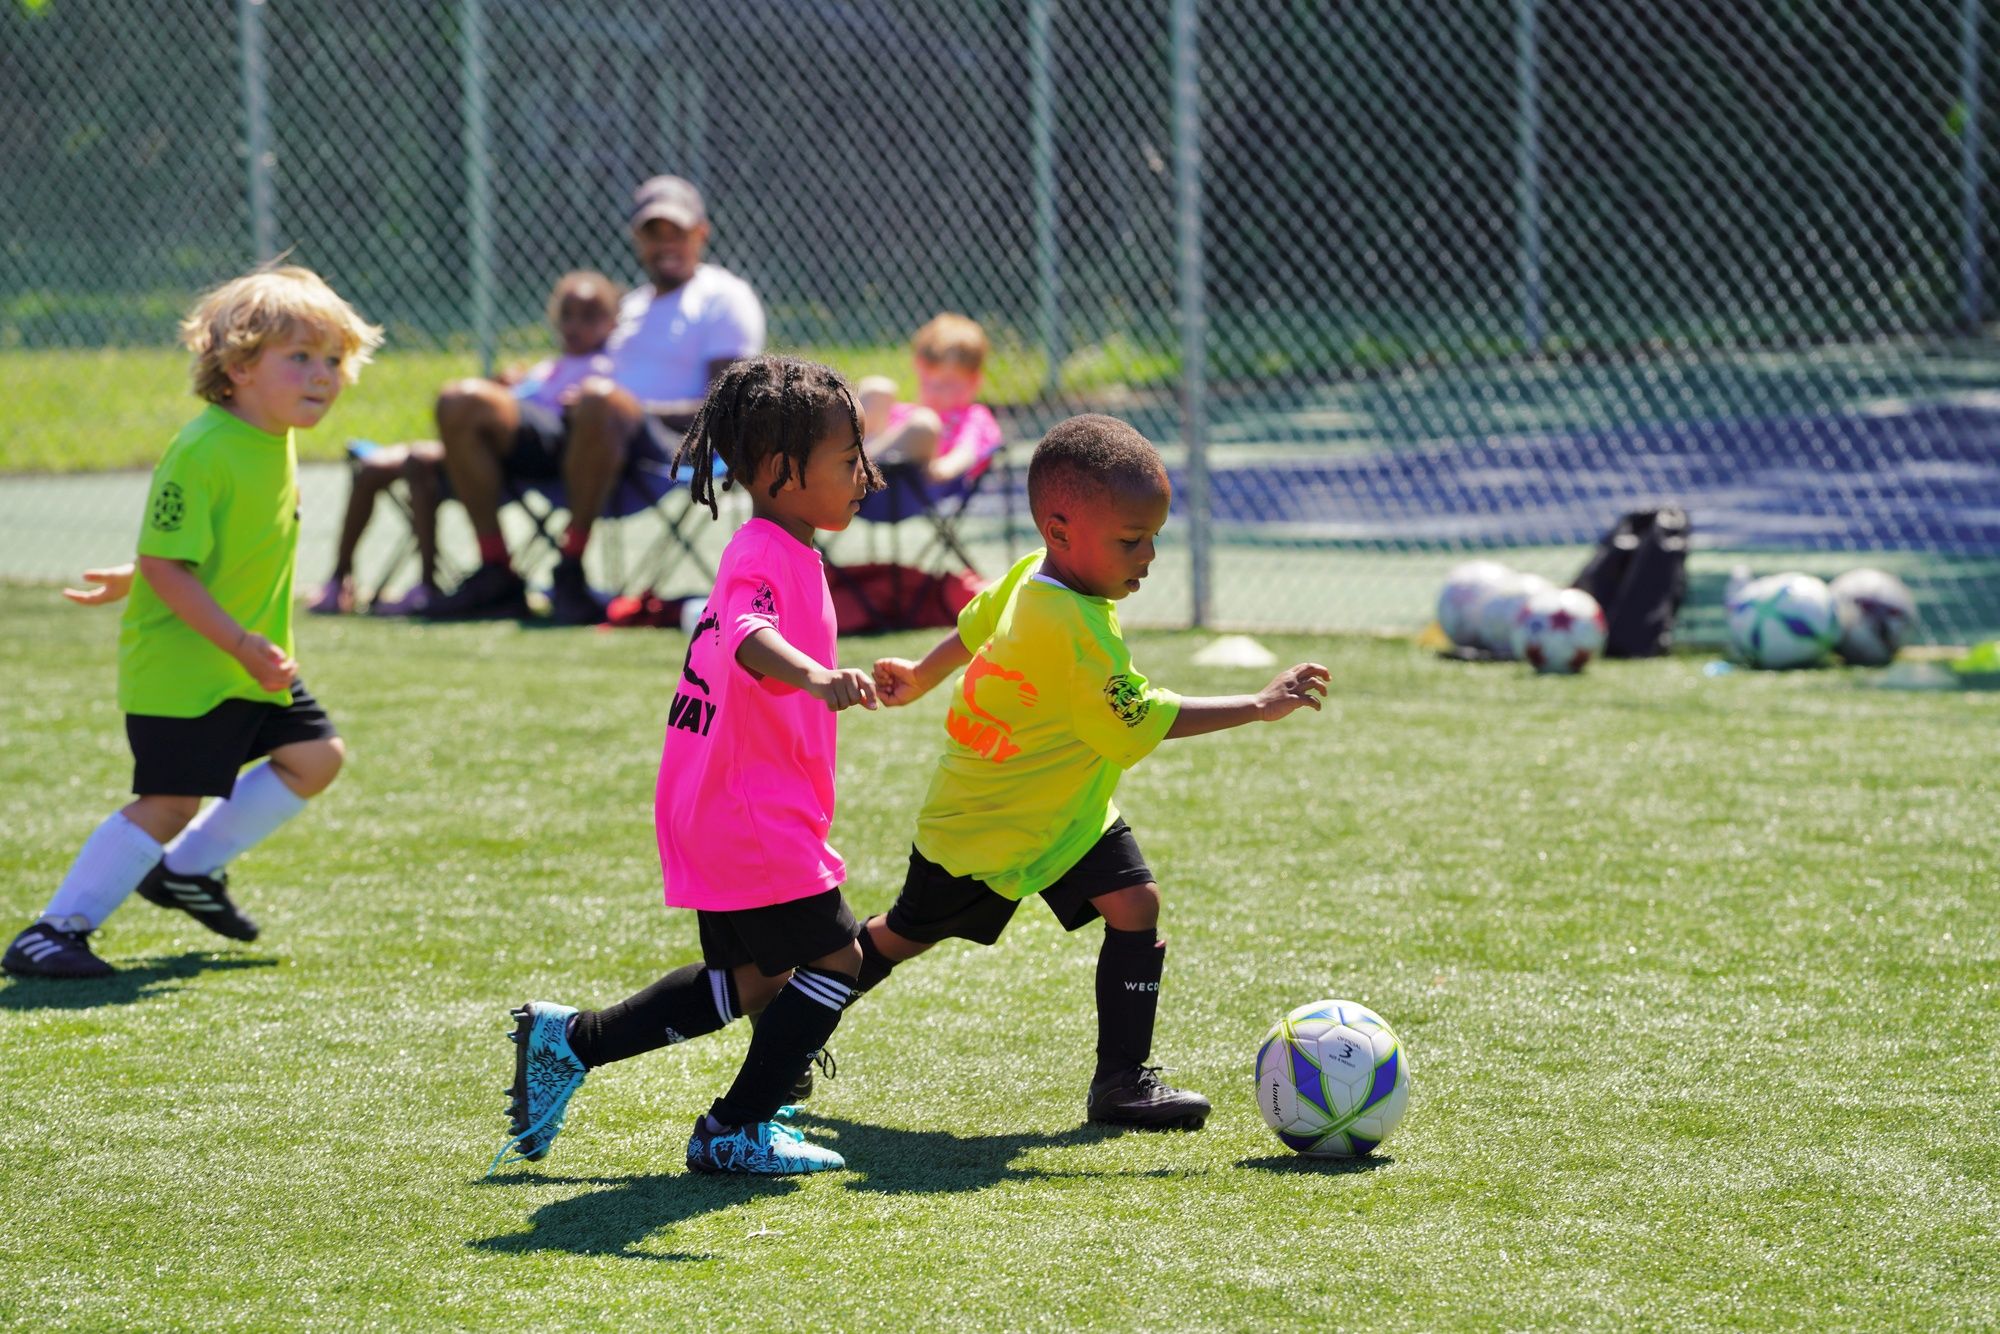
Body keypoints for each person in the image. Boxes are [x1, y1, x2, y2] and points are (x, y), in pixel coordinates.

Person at [850, 414, 1330, 1128]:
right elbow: (1144, 716)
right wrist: (1259, 705)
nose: (1149, 557)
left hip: (1065, 810)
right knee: (902, 934)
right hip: (989, 822)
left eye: (1154, 537)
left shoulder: (1034, 576)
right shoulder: (1071, 628)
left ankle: (1121, 1084)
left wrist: (921, 676)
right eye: (1131, 541)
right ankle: (799, 1013)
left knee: (1136, 905)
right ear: (1061, 529)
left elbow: (974, 623)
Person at [490, 356, 886, 1177]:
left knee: (752, 978)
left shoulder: (784, 544)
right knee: (838, 959)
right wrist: (815, 677)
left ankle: (572, 1042)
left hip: (718, 803)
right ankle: (735, 1128)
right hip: (748, 811)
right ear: (782, 473)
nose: (865, 477)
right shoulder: (766, 552)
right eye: (848, 461)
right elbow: (745, 633)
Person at [3, 267, 383, 978]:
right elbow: (169, 563)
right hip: (190, 669)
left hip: (244, 663)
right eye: (299, 357)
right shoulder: (203, 449)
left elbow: (184, 552)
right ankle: (52, 931)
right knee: (170, 801)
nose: (324, 376)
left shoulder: (272, 437)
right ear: (238, 367)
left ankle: (185, 872)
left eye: (333, 359)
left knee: (314, 758)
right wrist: (194, 604)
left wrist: (146, 569)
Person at [427, 176, 766, 625]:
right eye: (652, 233)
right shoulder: (630, 305)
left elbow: (727, 405)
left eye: (677, 232)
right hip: (583, 426)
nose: (665, 244)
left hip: (666, 442)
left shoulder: (725, 297)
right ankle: (497, 574)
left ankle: (569, 571)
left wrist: (621, 407)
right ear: (636, 239)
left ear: (701, 232)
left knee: (601, 401)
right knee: (461, 400)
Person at [307, 271, 622, 618]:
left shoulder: (608, 370)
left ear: (612, 322)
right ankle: (346, 580)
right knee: (380, 466)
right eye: (567, 316)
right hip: (488, 452)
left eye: (590, 316)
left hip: (538, 458)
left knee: (426, 450)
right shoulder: (546, 369)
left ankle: (431, 583)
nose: (576, 326)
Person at [855, 312, 1004, 486]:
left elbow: (966, 452)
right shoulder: (910, 412)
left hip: (917, 484)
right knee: (878, 389)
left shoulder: (974, 416)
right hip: (876, 478)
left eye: (948, 383)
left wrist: (940, 471)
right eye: (928, 381)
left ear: (974, 381)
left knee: (924, 424)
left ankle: (853, 468)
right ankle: (846, 460)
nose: (935, 391)